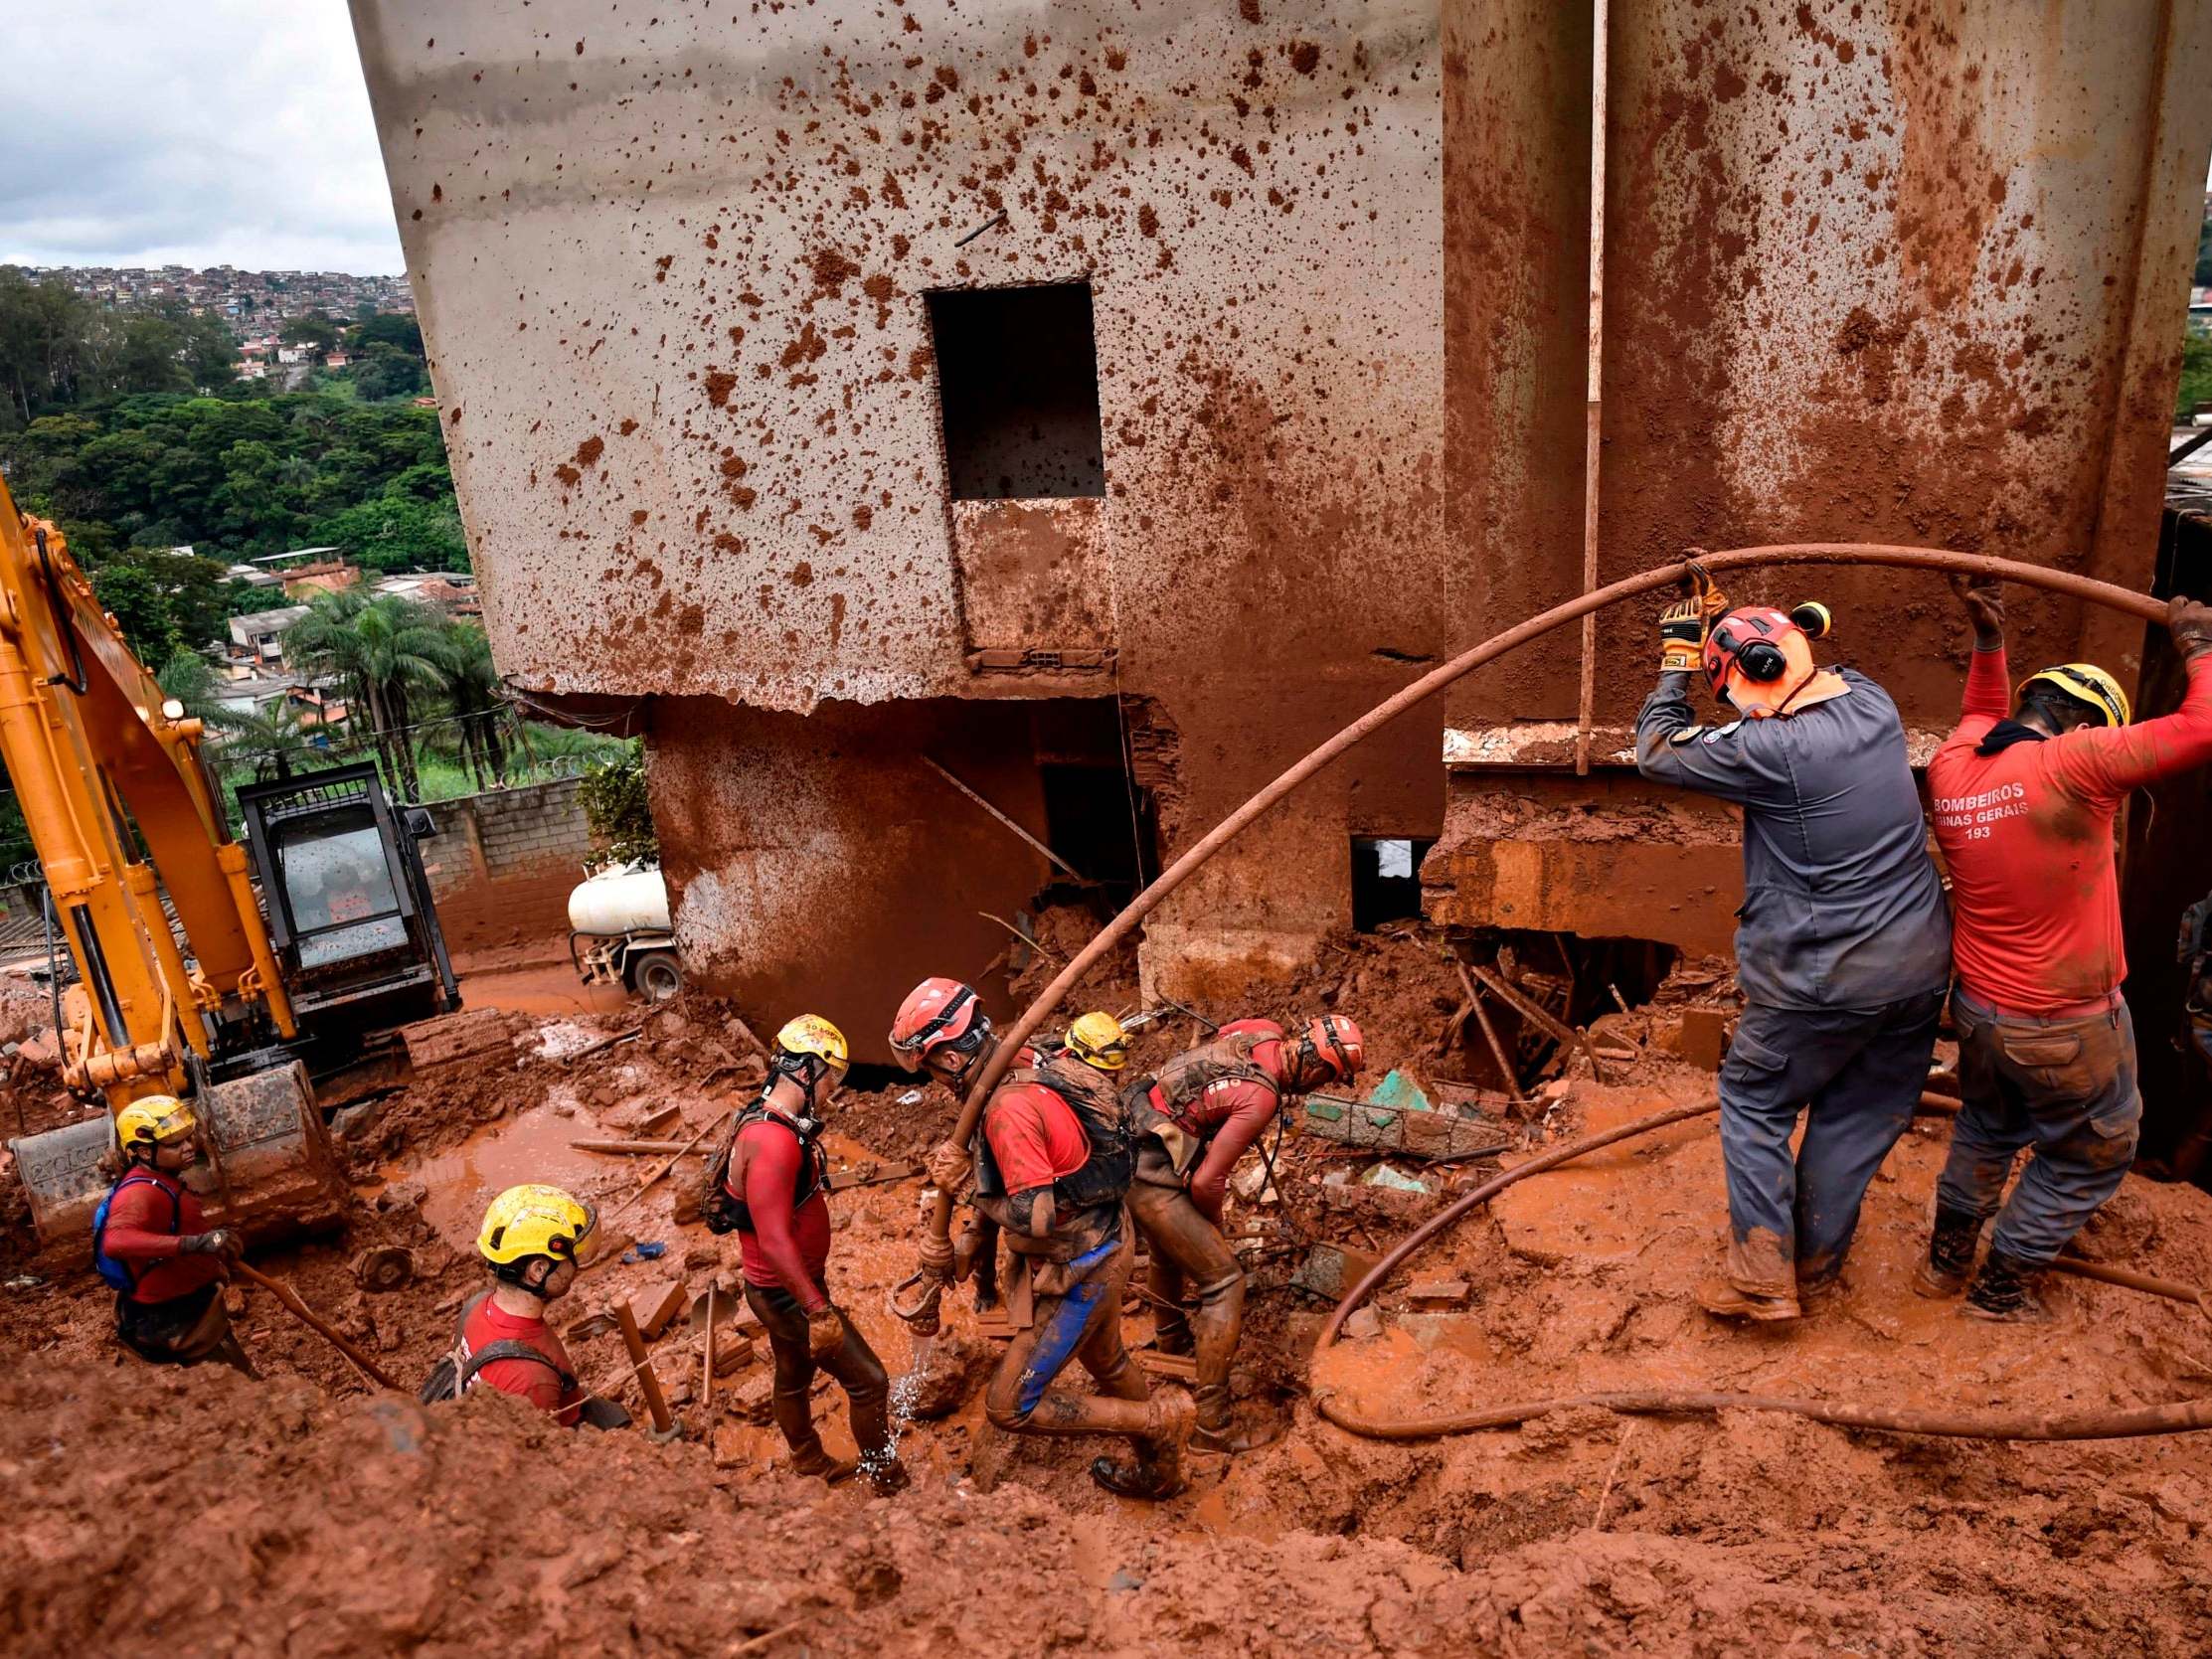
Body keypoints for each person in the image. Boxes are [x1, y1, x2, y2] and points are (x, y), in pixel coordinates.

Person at [1635, 581, 1953, 1321]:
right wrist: (1739, 631)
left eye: (1732, 691)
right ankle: (1812, 1262)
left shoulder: (1768, 750)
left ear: (1756, 670)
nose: (1734, 710)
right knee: (1860, 1110)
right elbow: (1804, 670)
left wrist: (1678, 661)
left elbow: (1655, 750)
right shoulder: (1874, 704)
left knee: (1753, 1096)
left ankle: (1760, 1277)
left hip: (1824, 977)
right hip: (1918, 967)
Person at [1918, 581, 2212, 1318]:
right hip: (2065, 1022)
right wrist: (2198, 646)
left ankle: (1944, 1262)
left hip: (1979, 1010)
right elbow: (2201, 727)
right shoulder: (2076, 764)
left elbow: (1980, 711)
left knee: (1986, 1125)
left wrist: (1989, 643)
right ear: (2084, 723)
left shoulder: (1955, 762)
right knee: (2093, 1151)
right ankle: (1998, 1289)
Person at [894, 978, 1194, 1500]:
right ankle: (1160, 1471)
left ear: (949, 1055)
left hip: (1083, 1266)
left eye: (931, 1066)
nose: (934, 1079)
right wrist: (969, 1238)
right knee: (1108, 1361)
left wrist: (965, 1188)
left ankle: (1159, 1422)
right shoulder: (1028, 1059)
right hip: (1105, 1236)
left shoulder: (1008, 1108)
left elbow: (1035, 1216)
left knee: (1010, 1405)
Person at [1124, 1013, 1363, 1452]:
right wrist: (1210, 1229)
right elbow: (1206, 1183)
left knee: (1168, 1250)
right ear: (1314, 1068)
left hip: (1133, 1133)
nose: (1317, 1088)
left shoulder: (1262, 1030)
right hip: (1149, 1171)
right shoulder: (1262, 1097)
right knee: (1224, 1280)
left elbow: (1217, 1046)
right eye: (1325, 1079)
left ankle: (1173, 1344)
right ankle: (1211, 1428)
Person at [719, 1014, 906, 1491]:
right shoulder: (773, 1141)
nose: (834, 1091)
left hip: (782, 1288)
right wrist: (818, 1309)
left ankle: (808, 1460)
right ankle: (884, 1477)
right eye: (832, 1078)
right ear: (807, 1071)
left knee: (793, 1371)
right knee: (869, 1381)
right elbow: (774, 1239)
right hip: (785, 1292)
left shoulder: (771, 1121)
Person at [94, 1094, 254, 1375]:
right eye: (175, 1144)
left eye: (188, 1138)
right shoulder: (138, 1193)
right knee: (238, 1385)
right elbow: (116, 1241)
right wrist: (196, 1243)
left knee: (235, 1374)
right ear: (144, 1152)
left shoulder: (164, 1180)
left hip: (190, 1303)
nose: (189, 1147)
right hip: (172, 1316)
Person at [460, 1183, 628, 1426]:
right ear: (538, 1270)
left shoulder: (475, 1308)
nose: (576, 1267)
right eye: (572, 1257)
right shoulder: (531, 1380)